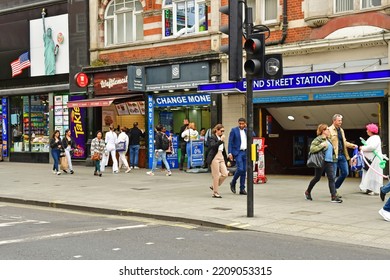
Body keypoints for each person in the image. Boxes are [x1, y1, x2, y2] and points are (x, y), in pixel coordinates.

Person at [304, 124, 342, 203]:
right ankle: (307, 192)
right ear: (323, 131)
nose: (329, 130)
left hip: (329, 161)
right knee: (317, 178)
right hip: (321, 161)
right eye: (327, 129)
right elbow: (312, 149)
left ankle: (333, 196)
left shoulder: (329, 140)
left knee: (331, 178)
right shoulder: (318, 139)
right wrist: (321, 145)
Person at [329, 114, 358, 195]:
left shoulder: (341, 130)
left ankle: (335, 187)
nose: (340, 122)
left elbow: (344, 142)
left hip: (342, 155)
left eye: (341, 120)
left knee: (345, 172)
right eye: (339, 120)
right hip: (334, 155)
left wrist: (352, 146)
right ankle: (333, 192)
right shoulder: (329, 130)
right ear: (334, 121)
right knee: (333, 175)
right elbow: (326, 142)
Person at [359, 123, 382, 195]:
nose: (366, 131)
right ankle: (369, 188)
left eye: (368, 130)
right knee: (371, 174)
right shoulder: (374, 138)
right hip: (371, 159)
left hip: (374, 159)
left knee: (373, 174)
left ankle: (373, 189)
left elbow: (372, 147)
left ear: (371, 131)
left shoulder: (375, 138)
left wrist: (362, 148)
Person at [206, 124, 229, 198]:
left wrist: (227, 159)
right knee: (216, 175)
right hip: (214, 156)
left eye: (223, 131)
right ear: (217, 130)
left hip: (221, 156)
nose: (222, 132)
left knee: (225, 173)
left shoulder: (221, 137)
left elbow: (223, 150)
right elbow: (213, 146)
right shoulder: (212, 137)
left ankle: (214, 186)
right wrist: (220, 140)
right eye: (221, 131)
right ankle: (215, 192)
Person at [228, 117, 248, 195]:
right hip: (238, 152)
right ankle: (233, 182)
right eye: (240, 124)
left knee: (244, 170)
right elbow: (230, 142)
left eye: (242, 124)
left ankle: (242, 189)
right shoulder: (234, 130)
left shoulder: (246, 130)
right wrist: (230, 153)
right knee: (240, 168)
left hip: (245, 152)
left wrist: (248, 128)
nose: (241, 125)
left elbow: (253, 135)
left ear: (245, 123)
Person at [42, 9, 58, 75]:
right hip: (48, 55)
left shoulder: (52, 41)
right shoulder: (46, 38)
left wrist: (57, 49)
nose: (49, 32)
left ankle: (51, 73)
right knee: (48, 65)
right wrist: (43, 16)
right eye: (48, 30)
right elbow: (43, 27)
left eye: (50, 31)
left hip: (52, 56)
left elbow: (54, 53)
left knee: (52, 65)